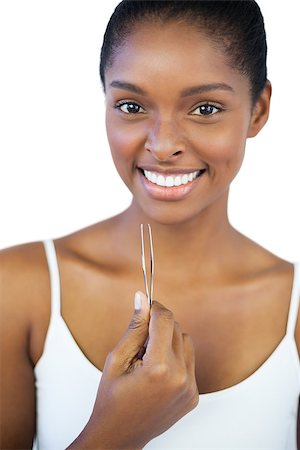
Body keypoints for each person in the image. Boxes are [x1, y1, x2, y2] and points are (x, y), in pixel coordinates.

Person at [0, 0, 299, 449]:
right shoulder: (20, 290)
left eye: (204, 109)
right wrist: (117, 431)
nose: (162, 145)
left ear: (258, 110)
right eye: (131, 105)